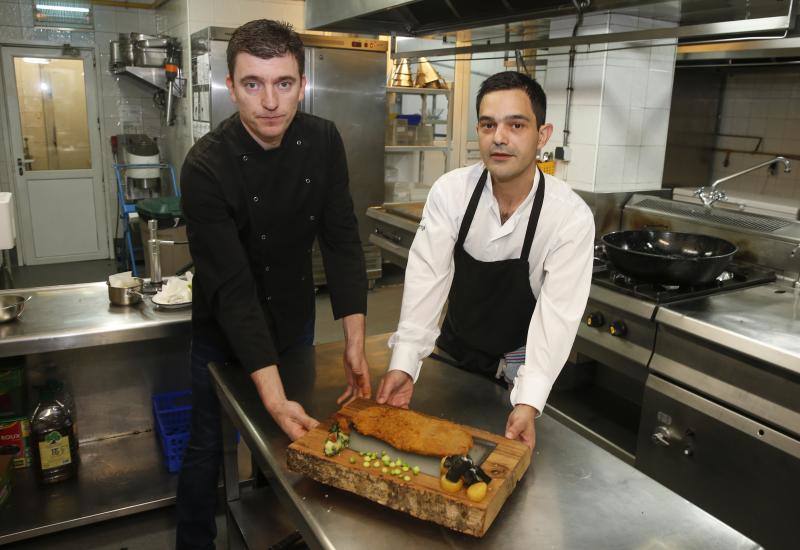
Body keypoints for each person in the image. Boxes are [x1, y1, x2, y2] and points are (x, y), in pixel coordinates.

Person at [175, 19, 371, 549]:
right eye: (253, 84)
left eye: (283, 83)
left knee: (283, 437)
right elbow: (234, 291)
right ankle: (193, 543)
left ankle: (277, 530)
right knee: (206, 443)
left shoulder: (323, 140)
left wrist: (354, 339)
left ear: (302, 84)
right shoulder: (205, 168)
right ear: (232, 86)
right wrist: (272, 395)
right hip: (222, 328)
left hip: (292, 317)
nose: (270, 102)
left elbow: (341, 239)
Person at [376, 71, 594, 450]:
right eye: (489, 124)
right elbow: (428, 279)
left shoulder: (569, 217)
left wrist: (529, 400)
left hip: (518, 369)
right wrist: (404, 362)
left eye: (517, 125)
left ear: (542, 135)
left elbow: (556, 316)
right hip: (453, 353)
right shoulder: (452, 192)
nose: (500, 138)